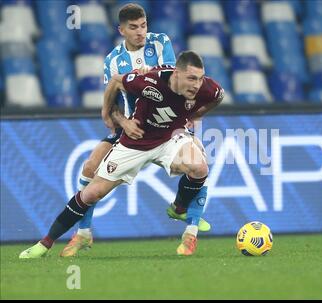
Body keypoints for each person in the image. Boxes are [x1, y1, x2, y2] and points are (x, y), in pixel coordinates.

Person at [19, 50, 224, 259]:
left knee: (199, 166)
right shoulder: (150, 82)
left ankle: (179, 208)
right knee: (91, 193)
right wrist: (110, 114)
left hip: (170, 139)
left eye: (199, 78)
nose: (197, 85)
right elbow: (116, 81)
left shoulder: (206, 88)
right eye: (191, 78)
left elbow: (218, 96)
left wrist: (195, 115)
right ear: (176, 74)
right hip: (136, 141)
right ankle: (45, 244)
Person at [61, 3, 211, 257]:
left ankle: (190, 231)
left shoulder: (160, 42)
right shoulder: (113, 60)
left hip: (167, 123)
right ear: (121, 30)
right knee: (90, 166)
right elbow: (114, 103)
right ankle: (83, 234)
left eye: (143, 25)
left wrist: (149, 73)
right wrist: (123, 122)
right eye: (133, 28)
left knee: (198, 160)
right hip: (134, 126)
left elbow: (173, 79)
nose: (141, 32)